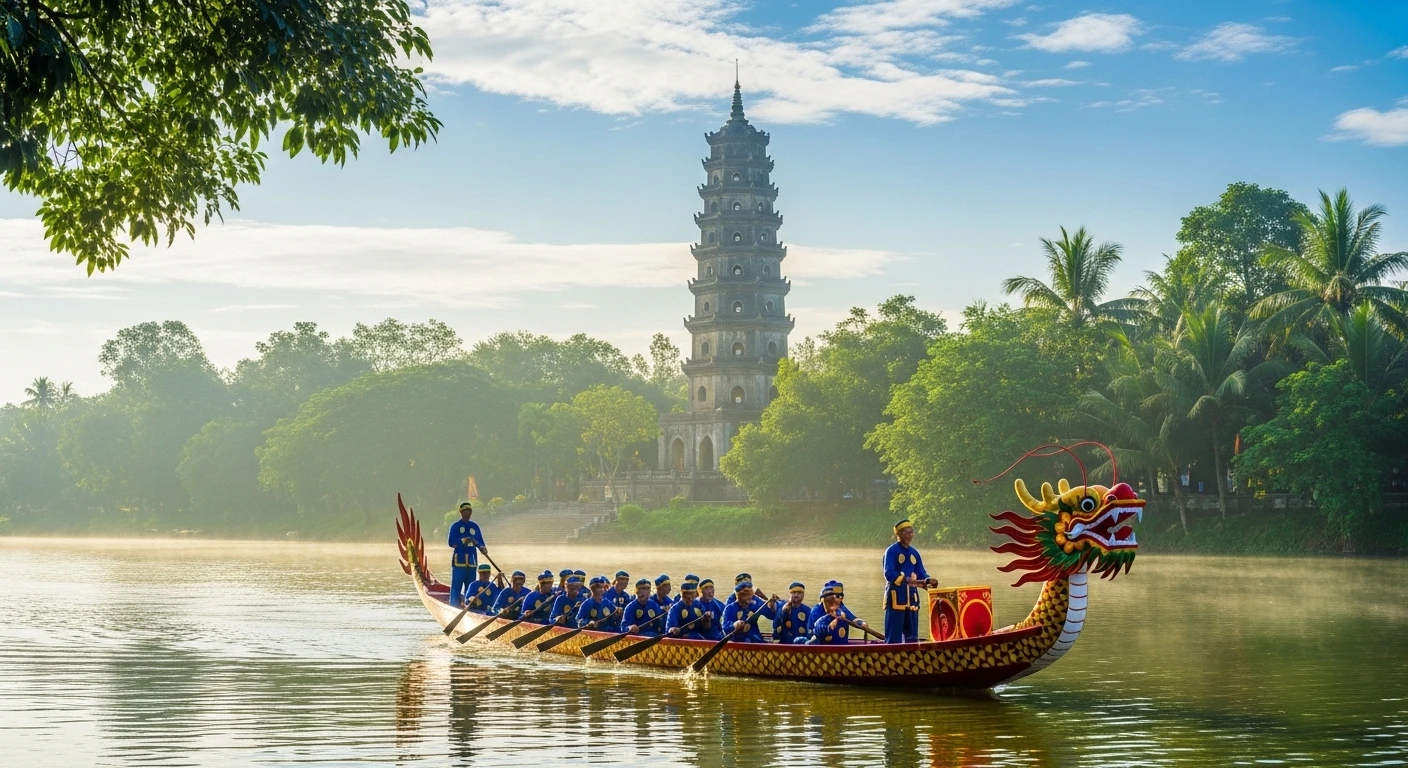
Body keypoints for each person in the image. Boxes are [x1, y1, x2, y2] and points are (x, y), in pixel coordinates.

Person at [884, 518, 936, 643]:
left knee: (912, 632)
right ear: (898, 534)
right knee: (894, 631)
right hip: (897, 595)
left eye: (911, 532)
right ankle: (891, 650)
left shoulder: (914, 553)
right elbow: (889, 573)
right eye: (906, 532)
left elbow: (921, 572)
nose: (909, 535)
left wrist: (928, 581)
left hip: (912, 597)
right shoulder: (891, 551)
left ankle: (911, 651)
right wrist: (905, 579)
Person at [447, 502, 488, 608]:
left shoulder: (474, 526)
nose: (467, 513)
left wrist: (482, 547)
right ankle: (454, 605)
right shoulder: (455, 526)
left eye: (469, 511)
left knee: (471, 585)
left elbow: (480, 541)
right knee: (456, 584)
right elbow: (451, 542)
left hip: (471, 560)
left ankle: (468, 605)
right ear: (461, 512)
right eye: (465, 511)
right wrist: (463, 540)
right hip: (459, 560)